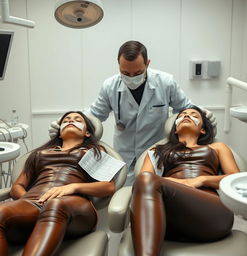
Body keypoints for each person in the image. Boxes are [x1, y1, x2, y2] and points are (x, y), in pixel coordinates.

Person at [49, 41, 216, 185]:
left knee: (157, 192)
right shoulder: (110, 86)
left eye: (137, 73)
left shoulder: (165, 82)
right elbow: (94, 115)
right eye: (125, 73)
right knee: (126, 196)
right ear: (118, 65)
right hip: (124, 152)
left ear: (147, 64)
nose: (131, 78)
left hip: (156, 150)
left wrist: (202, 114)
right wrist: (66, 122)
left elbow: (185, 107)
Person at [0, 111, 116, 256]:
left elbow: (108, 187)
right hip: (33, 203)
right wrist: (28, 200)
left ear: (87, 133)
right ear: (60, 133)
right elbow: (17, 187)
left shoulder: (92, 151)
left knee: (54, 204)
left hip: (73, 207)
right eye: (66, 120)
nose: (70, 121)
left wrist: (72, 187)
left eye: (77, 119)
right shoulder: (39, 154)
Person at [130, 105, 239, 256]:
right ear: (175, 129)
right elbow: (144, 180)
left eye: (194, 115)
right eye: (182, 115)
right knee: (144, 179)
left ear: (203, 130)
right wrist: (182, 183)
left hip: (212, 215)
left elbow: (234, 179)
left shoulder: (217, 147)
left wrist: (202, 180)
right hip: (170, 220)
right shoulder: (156, 151)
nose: (187, 116)